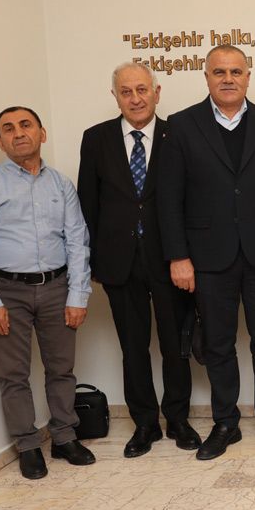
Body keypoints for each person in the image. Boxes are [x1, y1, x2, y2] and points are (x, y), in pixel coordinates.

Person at [156, 44, 255, 461]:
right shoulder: (181, 126)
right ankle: (225, 423)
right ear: (206, 77)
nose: (228, 79)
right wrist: (178, 257)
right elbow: (169, 198)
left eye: (236, 71)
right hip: (207, 257)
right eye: (219, 72)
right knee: (218, 344)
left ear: (248, 77)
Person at [0, 106, 95, 480]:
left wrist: (78, 295)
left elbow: (77, 242)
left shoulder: (61, 185)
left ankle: (64, 437)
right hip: (8, 292)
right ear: (0, 142)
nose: (18, 133)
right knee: (13, 375)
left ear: (41, 133)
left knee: (61, 369)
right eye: (8, 129)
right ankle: (28, 445)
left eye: (25, 125)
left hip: (57, 288)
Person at [77, 62, 200, 458]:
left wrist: (187, 255)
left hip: (170, 259)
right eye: (126, 91)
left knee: (174, 345)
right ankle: (145, 423)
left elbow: (191, 200)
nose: (135, 98)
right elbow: (87, 204)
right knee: (132, 348)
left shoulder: (177, 135)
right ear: (114, 96)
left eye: (142, 90)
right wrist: (92, 260)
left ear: (157, 92)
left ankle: (177, 419)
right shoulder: (95, 139)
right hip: (119, 261)